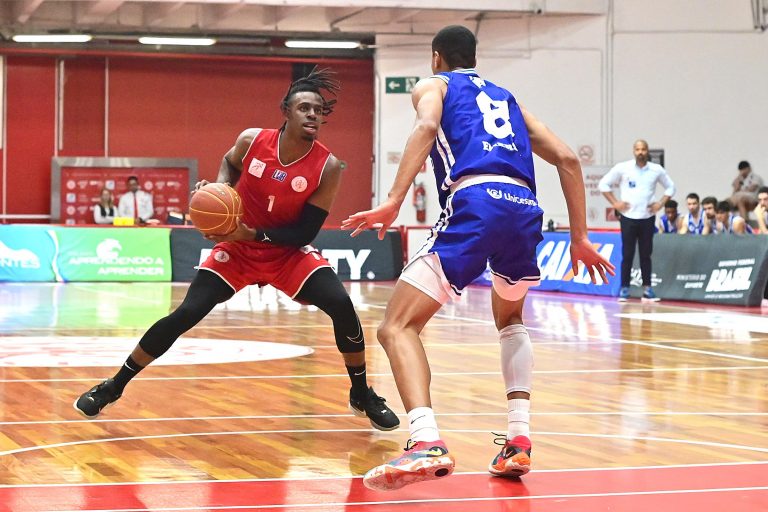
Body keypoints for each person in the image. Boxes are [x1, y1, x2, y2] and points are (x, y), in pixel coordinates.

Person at [341, 25, 614, 491]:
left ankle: (426, 440)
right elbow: (568, 159)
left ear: (437, 57)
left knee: (397, 327)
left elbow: (427, 127)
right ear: (474, 57)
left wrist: (392, 200)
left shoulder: (434, 85)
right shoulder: (509, 99)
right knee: (510, 319)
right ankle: (518, 441)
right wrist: (580, 237)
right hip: (524, 208)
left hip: (476, 201)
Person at [74, 67, 400, 432]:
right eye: (304, 108)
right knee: (187, 312)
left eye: (318, 110)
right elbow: (229, 164)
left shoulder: (328, 166)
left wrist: (251, 233)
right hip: (237, 249)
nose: (313, 115)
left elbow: (304, 232)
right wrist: (220, 192)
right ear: (286, 111)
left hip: (285, 253)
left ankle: (361, 394)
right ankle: (113, 386)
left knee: (342, 305)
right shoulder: (251, 141)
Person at [598, 140, 675, 302]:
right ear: (634, 151)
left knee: (646, 254)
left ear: (648, 151)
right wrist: (615, 203)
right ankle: (624, 289)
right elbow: (603, 184)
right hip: (628, 217)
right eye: (638, 149)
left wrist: (660, 204)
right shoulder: (623, 168)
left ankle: (648, 289)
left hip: (647, 217)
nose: (640, 152)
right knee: (627, 253)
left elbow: (671, 187)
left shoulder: (656, 169)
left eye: (643, 149)